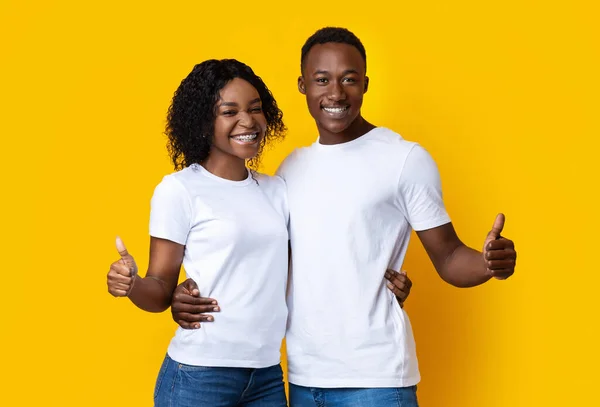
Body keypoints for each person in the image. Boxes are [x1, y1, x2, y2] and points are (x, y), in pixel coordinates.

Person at [171, 27, 517, 407]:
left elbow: (450, 257)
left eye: (349, 79)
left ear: (365, 84)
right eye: (322, 80)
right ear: (303, 85)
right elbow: (262, 261)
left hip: (376, 378)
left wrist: (489, 263)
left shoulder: (404, 160)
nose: (335, 93)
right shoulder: (289, 170)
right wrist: (187, 292)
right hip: (301, 377)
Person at [106, 58, 414, 407]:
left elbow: (324, 253)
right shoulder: (179, 190)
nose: (247, 121)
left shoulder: (277, 190)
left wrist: (381, 286)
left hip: (266, 377)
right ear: (204, 122)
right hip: (200, 374)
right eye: (229, 111)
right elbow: (160, 290)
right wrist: (132, 286)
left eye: (255, 109)